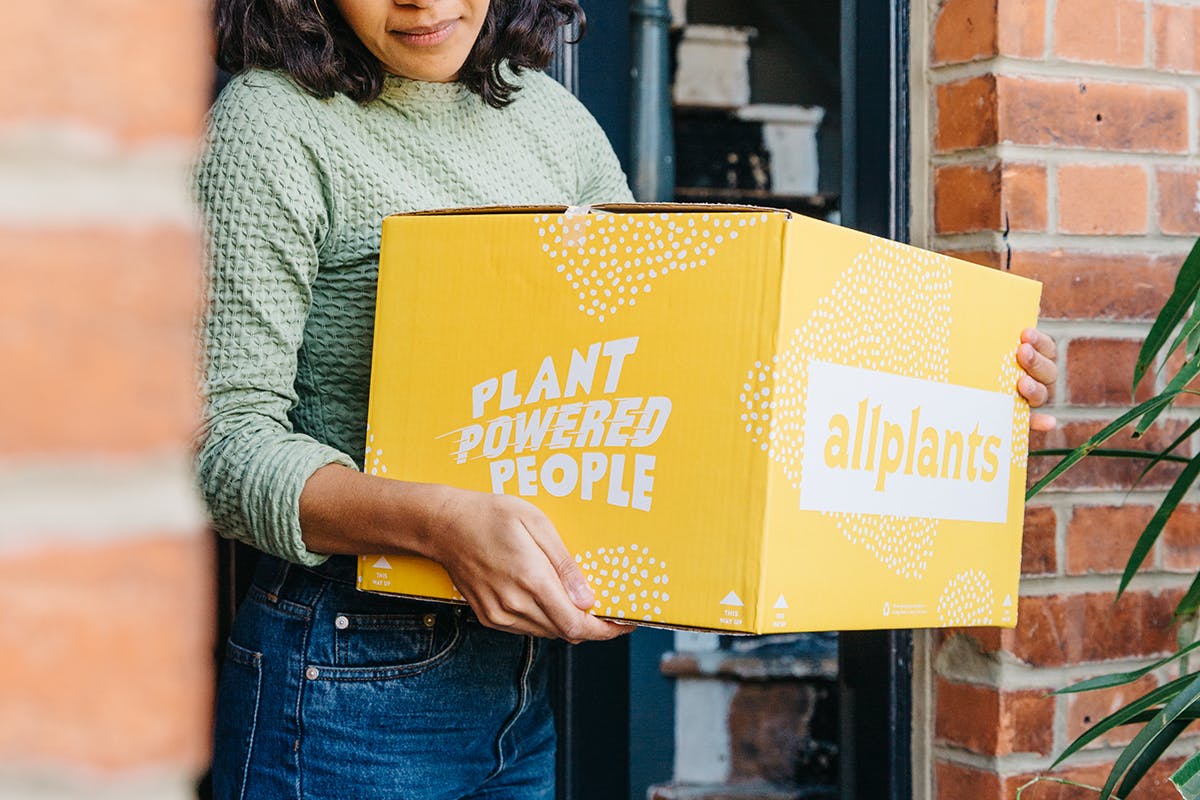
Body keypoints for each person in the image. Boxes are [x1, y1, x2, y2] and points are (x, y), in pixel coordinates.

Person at [196, 1, 1060, 798]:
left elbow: (680, 366)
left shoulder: (546, 116)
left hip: (523, 681)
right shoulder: (270, 124)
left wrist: (963, 403)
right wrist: (438, 525)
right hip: (343, 680)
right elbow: (223, 449)